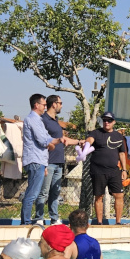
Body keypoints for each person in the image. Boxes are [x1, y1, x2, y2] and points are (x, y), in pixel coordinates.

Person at [35, 94, 81, 225]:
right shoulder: (43, 120)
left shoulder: (56, 122)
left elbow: (63, 140)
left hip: (59, 162)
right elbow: (41, 140)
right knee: (44, 191)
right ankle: (39, 217)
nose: (61, 105)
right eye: (60, 103)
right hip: (48, 162)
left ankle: (54, 218)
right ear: (54, 104)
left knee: (55, 192)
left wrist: (79, 141)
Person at [21, 94, 66, 225]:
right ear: (36, 105)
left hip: (39, 161)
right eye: (43, 105)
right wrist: (54, 142)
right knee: (33, 193)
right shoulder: (33, 119)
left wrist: (58, 140)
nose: (45, 107)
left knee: (33, 192)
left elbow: (46, 137)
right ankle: (26, 222)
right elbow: (43, 140)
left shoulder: (38, 120)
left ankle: (26, 220)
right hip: (35, 160)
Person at [84, 112, 128, 225]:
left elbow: (122, 154)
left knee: (119, 195)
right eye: (104, 120)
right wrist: (87, 143)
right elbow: (90, 139)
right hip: (98, 170)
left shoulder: (118, 136)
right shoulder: (96, 133)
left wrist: (124, 170)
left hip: (114, 171)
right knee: (99, 196)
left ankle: (118, 222)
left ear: (113, 122)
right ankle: (99, 222)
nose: (106, 122)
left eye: (109, 120)